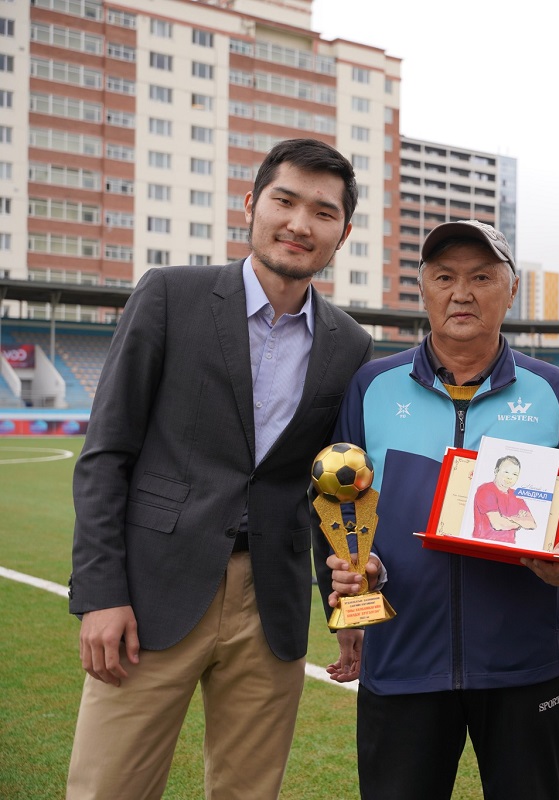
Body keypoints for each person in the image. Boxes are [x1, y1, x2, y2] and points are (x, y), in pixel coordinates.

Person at [66, 138, 373, 798]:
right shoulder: (169, 295)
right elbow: (106, 455)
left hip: (272, 606)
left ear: (343, 233)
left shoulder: (350, 343)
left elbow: (334, 492)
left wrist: (351, 613)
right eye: (285, 201)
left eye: (323, 212)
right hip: (152, 594)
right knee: (108, 787)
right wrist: (100, 594)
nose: (300, 224)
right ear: (250, 204)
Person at [316, 219, 559, 800]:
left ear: (511, 289)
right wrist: (356, 583)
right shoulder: (372, 387)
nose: (462, 293)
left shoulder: (551, 390)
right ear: (422, 289)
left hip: (523, 666)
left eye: (481, 277)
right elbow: (338, 507)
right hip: (402, 662)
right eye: (444, 277)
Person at [473, 455, 536, 543]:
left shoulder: (516, 495)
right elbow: (498, 524)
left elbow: (531, 523)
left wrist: (507, 519)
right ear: (496, 471)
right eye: (506, 472)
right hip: (484, 543)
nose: (510, 477)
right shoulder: (486, 490)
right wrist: (519, 521)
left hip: (509, 546)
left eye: (515, 474)